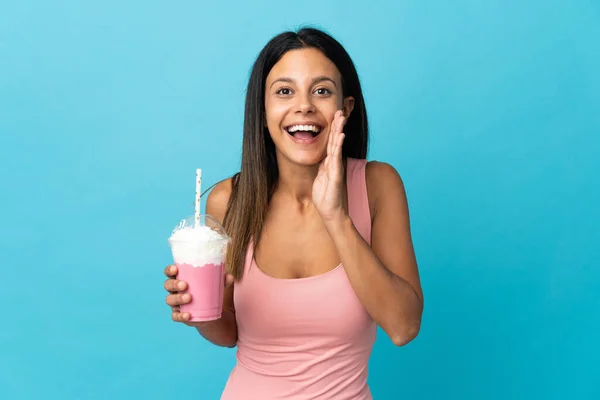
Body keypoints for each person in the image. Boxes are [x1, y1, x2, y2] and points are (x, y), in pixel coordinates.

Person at [163, 27, 424, 399]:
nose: (304, 105)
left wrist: (336, 217)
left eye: (321, 91)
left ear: (345, 109)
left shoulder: (378, 186)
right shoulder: (227, 201)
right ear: (263, 109)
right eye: (284, 91)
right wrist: (197, 310)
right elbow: (227, 334)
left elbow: (403, 326)